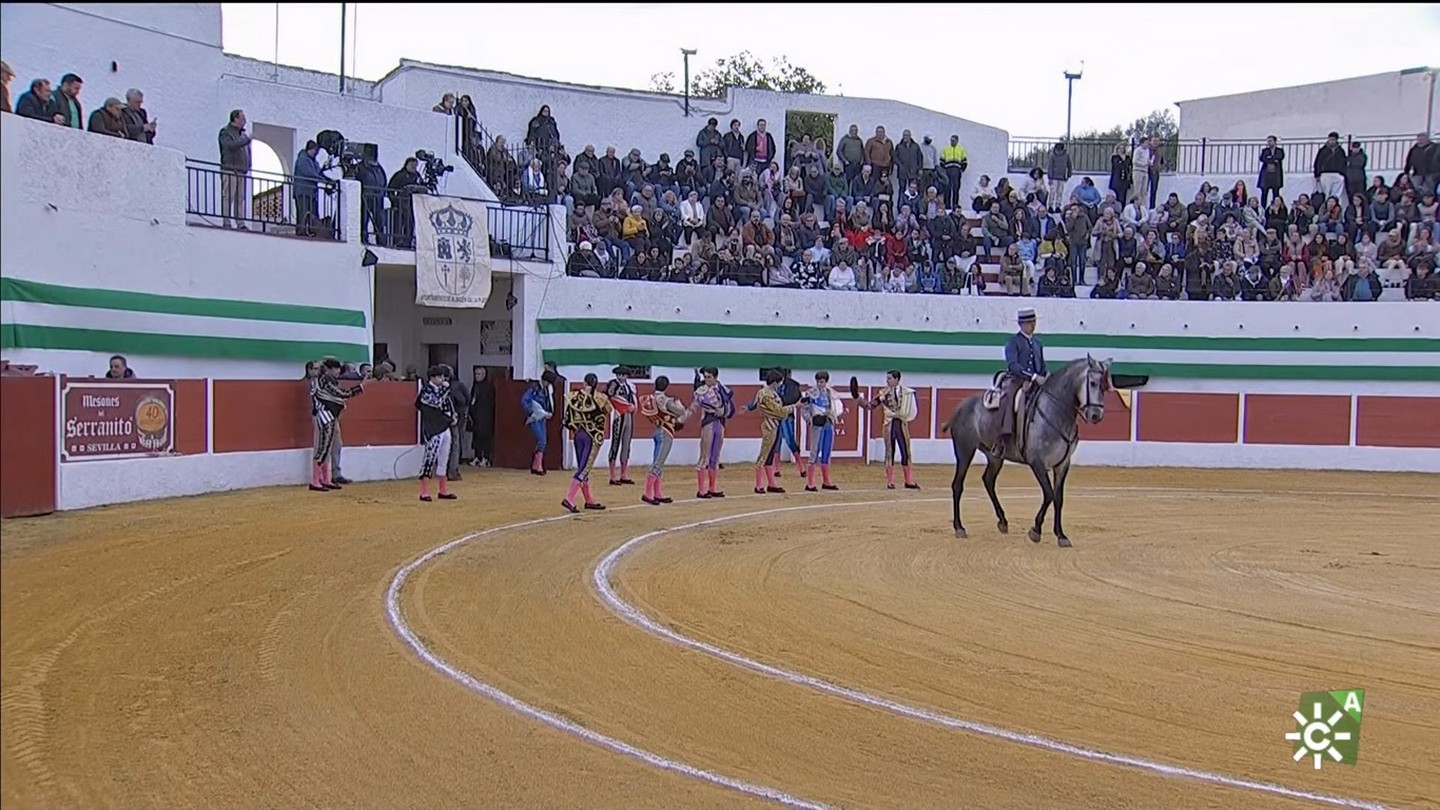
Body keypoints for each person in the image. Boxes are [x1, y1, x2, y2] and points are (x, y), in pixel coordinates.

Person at [997, 307, 1048, 459]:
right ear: (1021, 324)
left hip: (1037, 381)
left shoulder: (1038, 343)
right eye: (1029, 322)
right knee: (1010, 399)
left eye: (1033, 321)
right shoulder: (1013, 342)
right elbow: (1013, 365)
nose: (1032, 324)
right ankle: (1004, 438)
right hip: (1017, 381)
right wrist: (1032, 376)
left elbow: (1042, 365)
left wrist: (1046, 376)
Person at [310, 358, 363, 492]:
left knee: (327, 448)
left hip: (329, 415)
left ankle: (325, 479)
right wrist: (360, 387)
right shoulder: (324, 381)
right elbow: (340, 394)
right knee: (323, 448)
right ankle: (316, 481)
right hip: (324, 415)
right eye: (335, 368)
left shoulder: (328, 380)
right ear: (328, 369)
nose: (338, 371)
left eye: (338, 368)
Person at [561, 373, 611, 513]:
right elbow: (608, 410)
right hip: (591, 436)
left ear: (584, 383)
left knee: (583, 468)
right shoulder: (600, 398)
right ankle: (569, 499)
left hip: (578, 435)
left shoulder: (575, 397)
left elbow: (567, 419)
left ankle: (588, 500)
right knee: (583, 469)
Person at [862, 370, 920, 490]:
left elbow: (910, 409)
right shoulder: (883, 392)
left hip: (901, 424)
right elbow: (871, 405)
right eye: (887, 378)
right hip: (889, 425)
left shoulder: (906, 393)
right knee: (889, 453)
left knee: (906, 452)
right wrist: (860, 401)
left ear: (897, 379)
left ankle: (908, 481)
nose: (887, 380)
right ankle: (890, 482)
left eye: (889, 378)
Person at [639, 375, 687, 505]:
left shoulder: (651, 398)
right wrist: (678, 403)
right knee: (658, 463)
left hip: (657, 430)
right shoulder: (666, 400)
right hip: (666, 432)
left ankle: (658, 493)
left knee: (658, 461)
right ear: (666, 386)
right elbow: (681, 411)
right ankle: (648, 493)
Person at [415, 365, 458, 502]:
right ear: (432, 378)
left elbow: (448, 405)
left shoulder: (441, 390)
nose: (442, 379)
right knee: (429, 459)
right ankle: (424, 492)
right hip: (433, 429)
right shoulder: (426, 391)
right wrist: (446, 389)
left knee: (443, 459)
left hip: (445, 427)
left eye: (443, 376)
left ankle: (443, 490)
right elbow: (437, 402)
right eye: (439, 377)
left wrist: (453, 416)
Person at [690, 366, 734, 498]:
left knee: (715, 457)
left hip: (720, 423)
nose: (706, 380)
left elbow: (731, 407)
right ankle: (701, 490)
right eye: (705, 377)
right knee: (704, 456)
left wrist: (725, 412)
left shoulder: (722, 389)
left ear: (715, 377)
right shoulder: (702, 391)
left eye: (709, 377)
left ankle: (712, 488)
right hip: (708, 424)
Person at [752, 369, 796, 494]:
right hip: (770, 425)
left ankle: (771, 484)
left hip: (775, 425)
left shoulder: (770, 393)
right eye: (779, 382)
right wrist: (794, 407)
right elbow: (779, 411)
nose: (780, 385)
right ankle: (758, 485)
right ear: (775, 382)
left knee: (769, 455)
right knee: (764, 455)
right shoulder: (765, 394)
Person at [803, 371, 843, 492]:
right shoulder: (810, 393)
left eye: (822, 381)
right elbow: (805, 409)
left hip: (828, 423)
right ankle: (810, 483)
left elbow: (836, 407)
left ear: (826, 382)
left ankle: (826, 481)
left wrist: (833, 416)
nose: (820, 384)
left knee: (826, 451)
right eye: (818, 381)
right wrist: (810, 420)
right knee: (814, 451)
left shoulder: (831, 393)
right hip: (817, 424)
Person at [604, 366, 637, 485]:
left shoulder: (629, 387)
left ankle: (623, 474)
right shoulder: (613, 384)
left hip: (628, 417)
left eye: (623, 375)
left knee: (626, 444)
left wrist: (632, 407)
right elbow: (609, 395)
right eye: (619, 374)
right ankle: (612, 476)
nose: (621, 377)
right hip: (618, 416)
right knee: (615, 444)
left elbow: (633, 401)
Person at [774, 369, 806, 479]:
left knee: (790, 440)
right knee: (776, 442)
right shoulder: (790, 385)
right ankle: (776, 469)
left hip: (786, 416)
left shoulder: (792, 386)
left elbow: (797, 400)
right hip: (777, 417)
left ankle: (801, 467)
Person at [521, 370, 554, 475]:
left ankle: (536, 465)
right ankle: (537, 465)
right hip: (534, 417)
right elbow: (524, 400)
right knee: (541, 440)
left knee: (543, 440)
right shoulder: (534, 388)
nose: (548, 384)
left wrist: (547, 412)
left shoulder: (545, 389)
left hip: (541, 417)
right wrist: (530, 412)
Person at [467, 366, 495, 467]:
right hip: (476, 416)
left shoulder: (488, 387)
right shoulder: (475, 386)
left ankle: (486, 458)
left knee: (485, 438)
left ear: (484, 375)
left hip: (485, 417)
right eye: (475, 374)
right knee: (476, 438)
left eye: (478, 374)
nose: (476, 376)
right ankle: (477, 457)